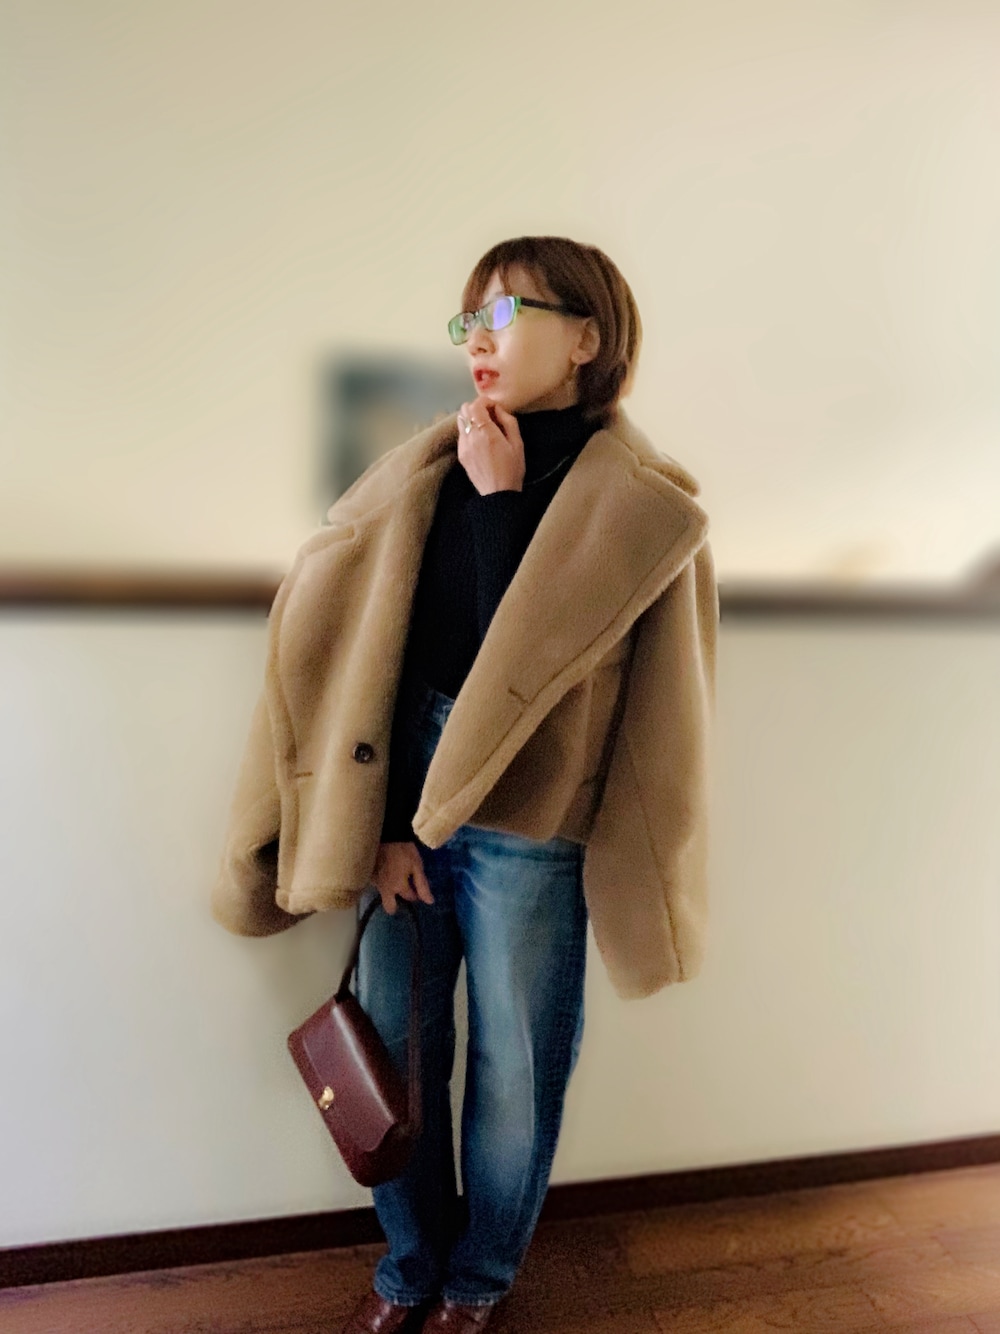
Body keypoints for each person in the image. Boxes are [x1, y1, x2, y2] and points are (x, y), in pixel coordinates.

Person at [211, 235, 718, 1334]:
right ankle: (409, 1264)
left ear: (586, 338)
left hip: (535, 813)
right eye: (467, 318)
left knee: (513, 1067)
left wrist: (502, 503)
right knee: (395, 1046)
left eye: (505, 313)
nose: (477, 341)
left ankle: (478, 1280)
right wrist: (386, 826)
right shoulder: (427, 467)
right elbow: (386, 664)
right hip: (409, 797)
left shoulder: (643, 506)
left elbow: (546, 680)